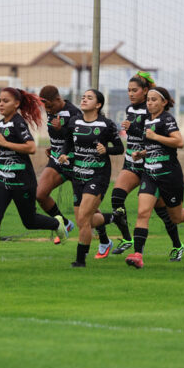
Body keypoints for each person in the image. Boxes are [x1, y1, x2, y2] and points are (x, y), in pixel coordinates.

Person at [0, 87, 68, 275]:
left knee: (29, 221)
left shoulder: (18, 123)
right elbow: (10, 149)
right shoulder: (1, 124)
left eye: (5, 101)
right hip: (1, 179)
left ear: (16, 104)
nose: (1, 104)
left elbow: (31, 147)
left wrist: (5, 144)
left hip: (22, 181)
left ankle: (56, 224)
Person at [126, 87, 184, 269]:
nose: (150, 103)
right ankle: (137, 255)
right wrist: (142, 154)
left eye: (154, 100)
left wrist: (155, 136)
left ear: (164, 102)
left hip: (169, 176)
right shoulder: (147, 121)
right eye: (148, 100)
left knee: (176, 217)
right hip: (149, 174)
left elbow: (179, 142)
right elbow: (153, 147)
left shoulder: (167, 119)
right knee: (143, 213)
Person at [110, 72, 183, 261]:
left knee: (169, 215)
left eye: (135, 90)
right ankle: (132, 246)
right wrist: (139, 151)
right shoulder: (132, 109)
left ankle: (177, 244)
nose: (131, 94)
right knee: (123, 200)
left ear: (145, 92)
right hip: (136, 163)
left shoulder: (158, 115)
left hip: (156, 169)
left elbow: (153, 137)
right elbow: (145, 138)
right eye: (128, 90)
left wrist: (136, 131)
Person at [58, 89, 124, 268]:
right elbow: (68, 143)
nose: (84, 100)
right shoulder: (74, 122)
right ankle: (114, 218)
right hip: (78, 174)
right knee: (83, 221)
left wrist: (107, 150)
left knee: (83, 219)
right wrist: (64, 155)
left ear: (98, 104)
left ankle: (80, 260)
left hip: (98, 176)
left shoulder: (106, 124)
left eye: (89, 98)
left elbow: (119, 148)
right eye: (83, 97)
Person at [36, 85, 80, 244]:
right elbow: (57, 137)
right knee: (40, 194)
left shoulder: (74, 113)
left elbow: (80, 139)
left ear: (58, 99)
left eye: (50, 106)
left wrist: (62, 130)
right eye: (45, 107)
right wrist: (53, 147)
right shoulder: (51, 111)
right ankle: (65, 223)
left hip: (76, 162)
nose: (49, 110)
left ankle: (104, 239)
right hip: (56, 160)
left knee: (86, 210)